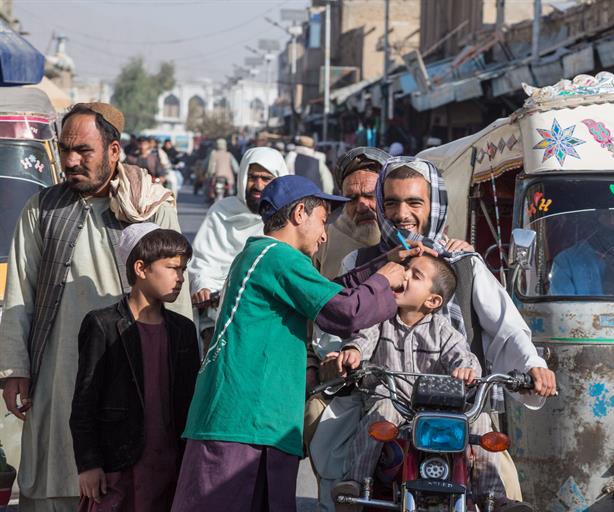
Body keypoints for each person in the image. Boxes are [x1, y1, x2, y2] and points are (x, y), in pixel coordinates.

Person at [171, 175, 427, 511]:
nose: (324, 235)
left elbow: (330, 290)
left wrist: (382, 262)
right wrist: (384, 280)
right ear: (298, 215)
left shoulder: (265, 257)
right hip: (242, 423)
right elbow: (345, 311)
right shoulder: (277, 256)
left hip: (259, 424)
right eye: (322, 221)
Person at [317, 158, 556, 502]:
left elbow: (506, 325)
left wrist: (532, 363)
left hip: (457, 405)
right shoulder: (361, 262)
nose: (402, 213)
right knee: (329, 464)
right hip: (383, 397)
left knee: (499, 476)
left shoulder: (465, 263)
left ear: (435, 207)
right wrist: (340, 357)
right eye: (391, 202)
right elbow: (344, 323)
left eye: (415, 202)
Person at [0, 102, 192, 512]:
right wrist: (14, 369)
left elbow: (180, 301)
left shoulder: (152, 208)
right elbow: (20, 295)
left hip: (134, 372)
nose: (70, 161)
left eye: (83, 151)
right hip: (58, 370)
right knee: (56, 479)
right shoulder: (42, 210)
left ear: (114, 151)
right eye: (65, 150)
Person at [332, 255, 526, 511]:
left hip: (438, 411)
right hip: (395, 403)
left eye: (415, 275)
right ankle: (355, 482)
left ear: (433, 301)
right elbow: (363, 340)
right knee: (382, 411)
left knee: (480, 420)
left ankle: (491, 497)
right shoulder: (380, 320)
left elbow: (463, 357)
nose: (404, 275)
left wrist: (466, 369)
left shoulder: (444, 330)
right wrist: (354, 352)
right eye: (405, 269)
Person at [70, 224, 199, 511]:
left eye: (183, 270)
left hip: (170, 468)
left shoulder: (183, 330)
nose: (179, 278)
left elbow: (192, 401)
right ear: (141, 268)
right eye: (171, 268)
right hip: (119, 468)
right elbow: (84, 402)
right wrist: (88, 464)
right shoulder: (102, 325)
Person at [188, 147, 289, 308]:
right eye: (252, 177)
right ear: (243, 177)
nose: (258, 185)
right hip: (216, 305)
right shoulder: (221, 211)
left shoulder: (287, 220)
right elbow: (201, 262)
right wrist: (203, 286)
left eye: (266, 178)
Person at [315, 147, 390, 279]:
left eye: (370, 195)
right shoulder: (323, 238)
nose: (361, 207)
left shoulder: (406, 237)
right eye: (351, 199)